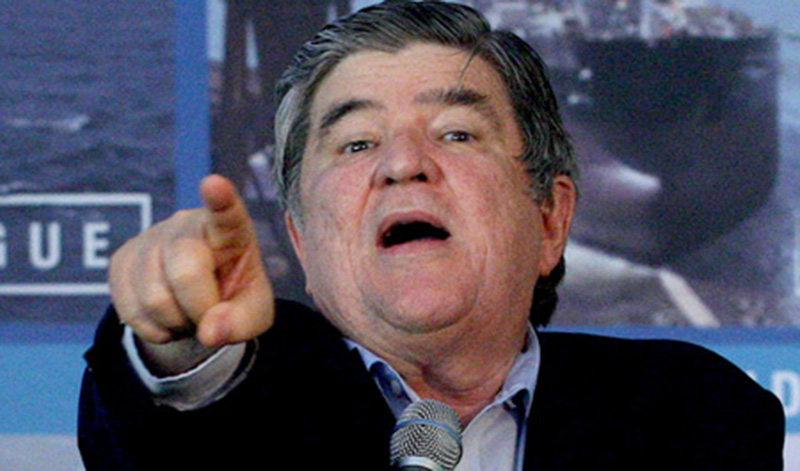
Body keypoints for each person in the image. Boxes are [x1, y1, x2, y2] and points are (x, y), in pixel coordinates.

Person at [78, 2, 785, 470]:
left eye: (456, 133)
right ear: (302, 240)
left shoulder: (696, 416)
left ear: (550, 218)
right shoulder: (246, 412)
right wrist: (181, 343)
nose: (402, 162)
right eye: (356, 142)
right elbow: (161, 432)